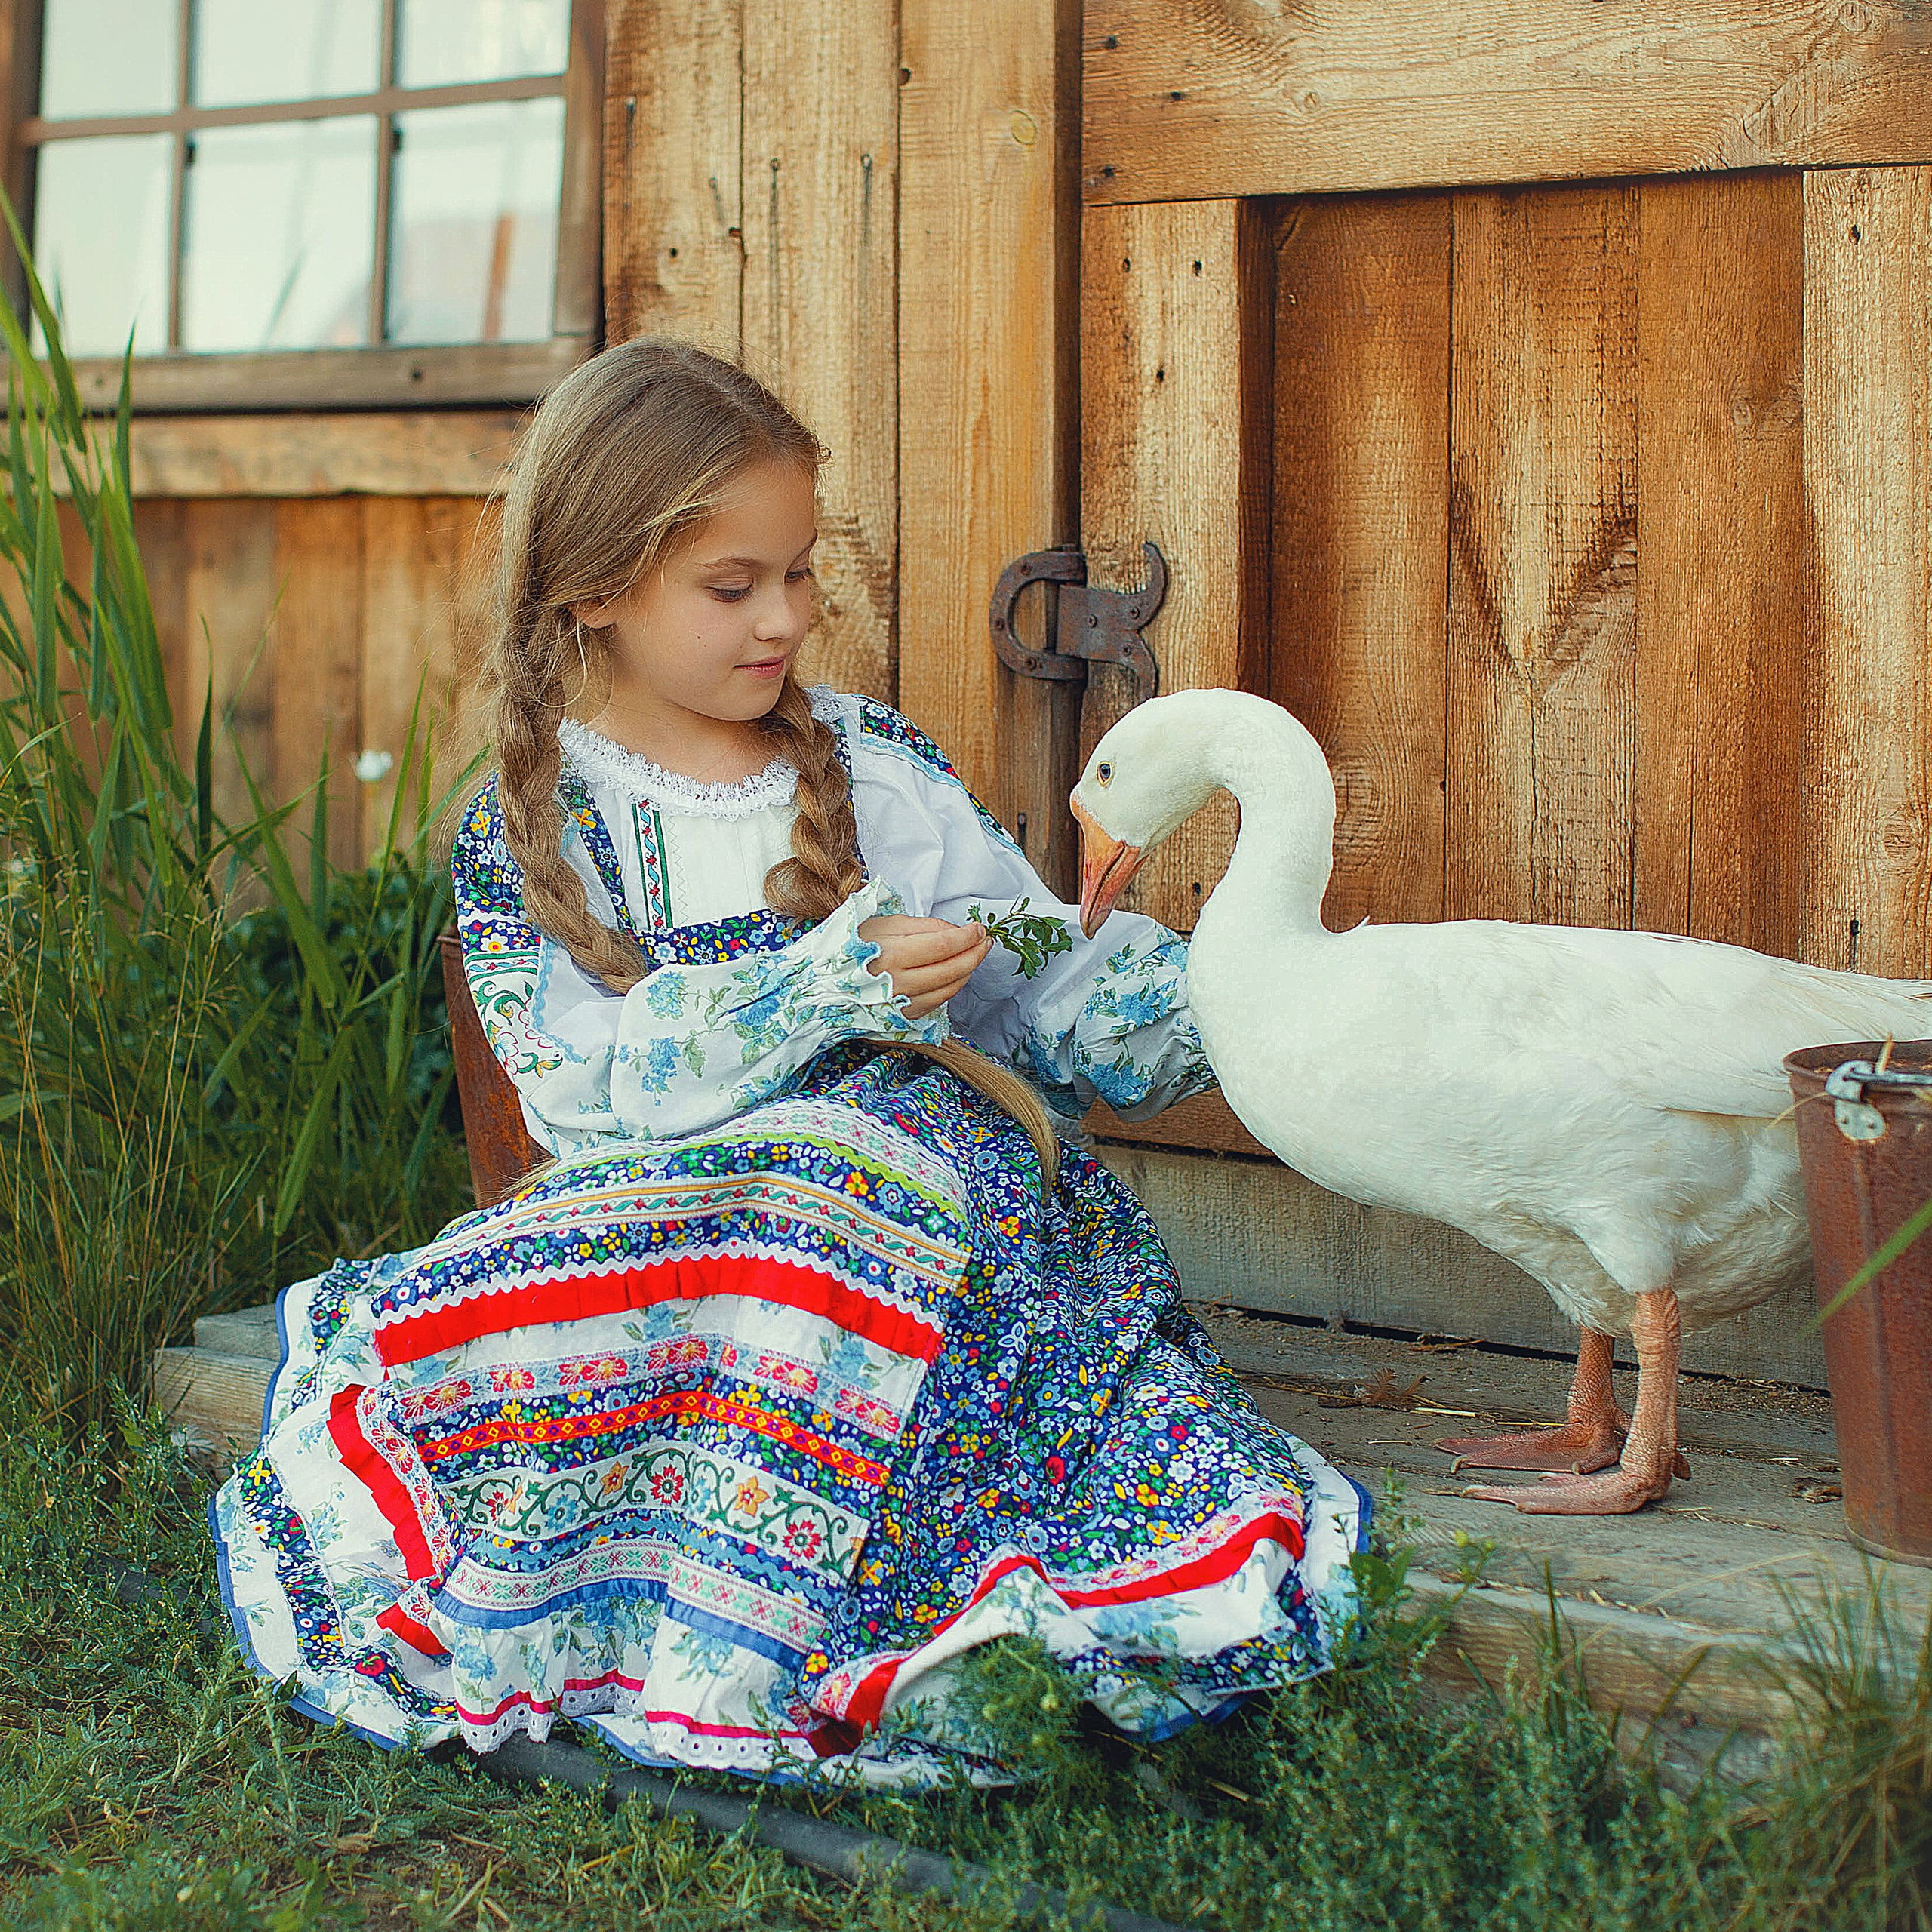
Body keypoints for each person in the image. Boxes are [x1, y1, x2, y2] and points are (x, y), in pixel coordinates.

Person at [211, 338, 1367, 1787]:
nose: (787, 617)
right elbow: (578, 1096)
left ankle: (863, 1628)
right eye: (734, 585)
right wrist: (817, 986)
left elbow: (1057, 998)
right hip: (688, 1223)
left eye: (801, 573)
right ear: (595, 589)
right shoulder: (538, 820)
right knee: (471, 1320)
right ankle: (665, 1601)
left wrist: (1264, 988)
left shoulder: (869, 767)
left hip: (922, 1203)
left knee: (838, 1177)